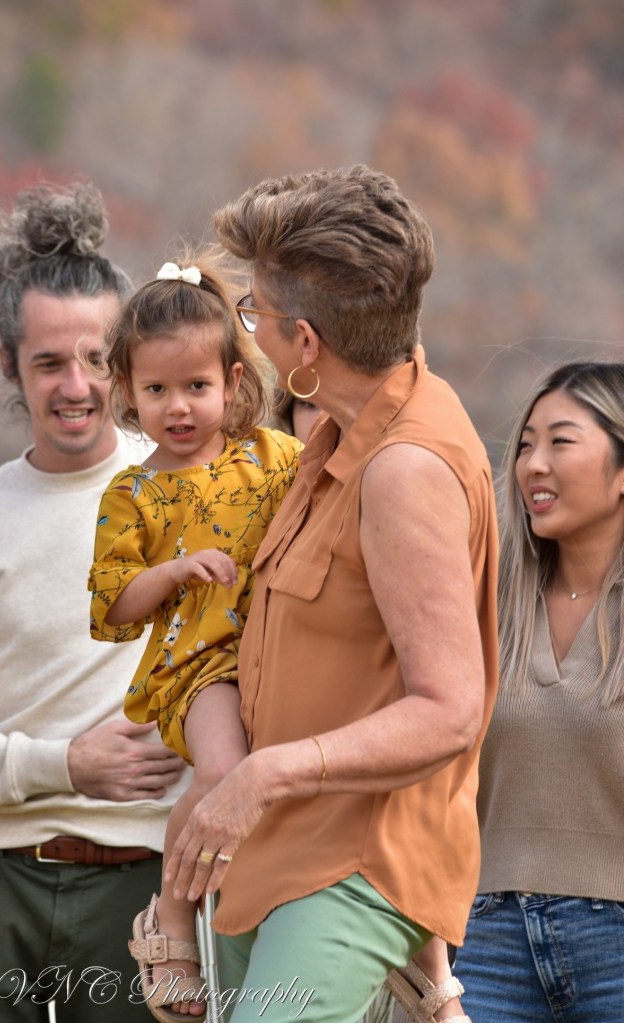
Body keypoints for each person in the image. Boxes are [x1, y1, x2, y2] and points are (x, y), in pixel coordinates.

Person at [161, 164, 499, 1023]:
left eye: (256, 314)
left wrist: (266, 772)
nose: (251, 332)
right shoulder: (341, 434)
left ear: (306, 344)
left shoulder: (405, 468)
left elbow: (451, 710)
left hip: (352, 865)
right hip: (275, 855)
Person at [0, 182, 189, 1023]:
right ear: (9, 365)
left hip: (145, 883)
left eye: (96, 357)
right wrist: (65, 765)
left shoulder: (189, 493)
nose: (76, 385)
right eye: (49, 362)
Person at [87, 251, 302, 1021]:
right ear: (127, 390)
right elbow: (112, 606)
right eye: (156, 390)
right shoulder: (135, 491)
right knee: (222, 771)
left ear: (233, 382)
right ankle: (171, 916)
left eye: (196, 387)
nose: (177, 408)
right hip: (200, 666)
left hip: (279, 652)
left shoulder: (274, 457)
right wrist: (174, 569)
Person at [453, 361, 624, 1023]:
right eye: (525, 445)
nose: (533, 464)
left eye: (561, 441)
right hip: (489, 939)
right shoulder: (488, 599)